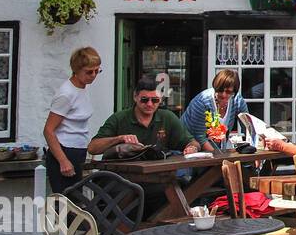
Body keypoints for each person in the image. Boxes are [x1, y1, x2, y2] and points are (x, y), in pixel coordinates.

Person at [89, 76, 199, 158]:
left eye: (155, 100)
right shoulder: (119, 118)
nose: (150, 104)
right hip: (123, 178)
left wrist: (192, 148)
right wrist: (119, 139)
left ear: (160, 100)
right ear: (135, 97)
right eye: (144, 100)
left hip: (157, 175)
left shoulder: (167, 117)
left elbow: (193, 142)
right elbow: (92, 148)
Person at [42, 47, 103, 194]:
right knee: (66, 202)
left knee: (75, 201)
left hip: (78, 150)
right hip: (65, 150)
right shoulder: (66, 94)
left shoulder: (82, 88)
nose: (93, 75)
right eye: (89, 72)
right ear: (76, 70)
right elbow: (48, 130)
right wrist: (63, 161)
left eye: (97, 71)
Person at [181, 69, 249, 150]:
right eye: (220, 90)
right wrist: (218, 158)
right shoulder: (201, 102)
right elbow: (200, 138)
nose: (223, 95)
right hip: (187, 148)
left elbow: (248, 127)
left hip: (217, 150)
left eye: (228, 92)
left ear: (234, 91)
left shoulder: (237, 101)